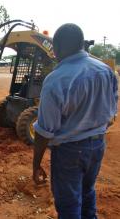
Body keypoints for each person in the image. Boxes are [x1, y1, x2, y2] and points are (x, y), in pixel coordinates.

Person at [32, 24, 118, 218]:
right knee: (88, 192)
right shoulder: (105, 70)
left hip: (69, 152)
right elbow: (112, 110)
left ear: (58, 48)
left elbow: (45, 130)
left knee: (69, 205)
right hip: (97, 145)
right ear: (81, 44)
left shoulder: (56, 79)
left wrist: (36, 164)